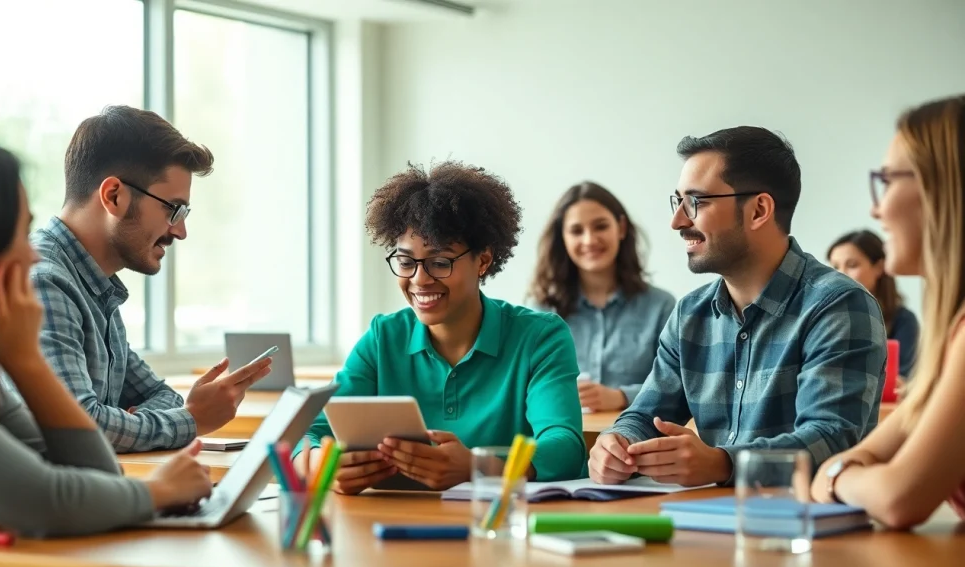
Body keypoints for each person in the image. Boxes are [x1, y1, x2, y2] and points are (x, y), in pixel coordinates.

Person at [0, 128, 212, 536]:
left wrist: (25, 361)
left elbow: (94, 474)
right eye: (16, 232)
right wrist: (158, 490)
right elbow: (48, 502)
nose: (31, 252)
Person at [588, 126, 886, 487]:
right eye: (678, 201)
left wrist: (723, 465)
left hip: (804, 530)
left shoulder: (838, 305)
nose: (678, 221)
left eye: (696, 202)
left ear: (759, 210)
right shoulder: (689, 315)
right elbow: (644, 415)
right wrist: (617, 443)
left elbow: (832, 439)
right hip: (706, 523)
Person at [296, 161, 585, 492]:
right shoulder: (382, 338)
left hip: (493, 530)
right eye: (405, 262)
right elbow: (310, 431)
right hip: (385, 532)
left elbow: (564, 446)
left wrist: (479, 468)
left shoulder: (540, 337)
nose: (419, 279)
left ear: (483, 260)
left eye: (439, 262)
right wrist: (321, 465)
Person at [30, 105, 272, 453]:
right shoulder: (44, 282)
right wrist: (192, 421)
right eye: (173, 209)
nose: (181, 230)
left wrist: (126, 424)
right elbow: (81, 427)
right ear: (114, 196)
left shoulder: (97, 289)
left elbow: (163, 397)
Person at [811, 95, 965, 528]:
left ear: (943, 186)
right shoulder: (954, 332)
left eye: (887, 181)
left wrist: (839, 475)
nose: (875, 208)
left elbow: (900, 497)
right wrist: (851, 472)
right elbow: (871, 457)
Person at [529, 181, 675, 412]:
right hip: (562, 440)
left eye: (600, 226)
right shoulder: (541, 310)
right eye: (577, 231)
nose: (589, 240)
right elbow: (526, 386)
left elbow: (678, 385)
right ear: (563, 239)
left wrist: (621, 397)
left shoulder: (662, 307)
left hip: (637, 442)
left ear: (621, 228)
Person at [828, 229, 919, 379]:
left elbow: (901, 379)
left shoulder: (903, 320)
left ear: (879, 267)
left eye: (852, 265)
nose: (840, 274)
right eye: (835, 267)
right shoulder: (823, 318)